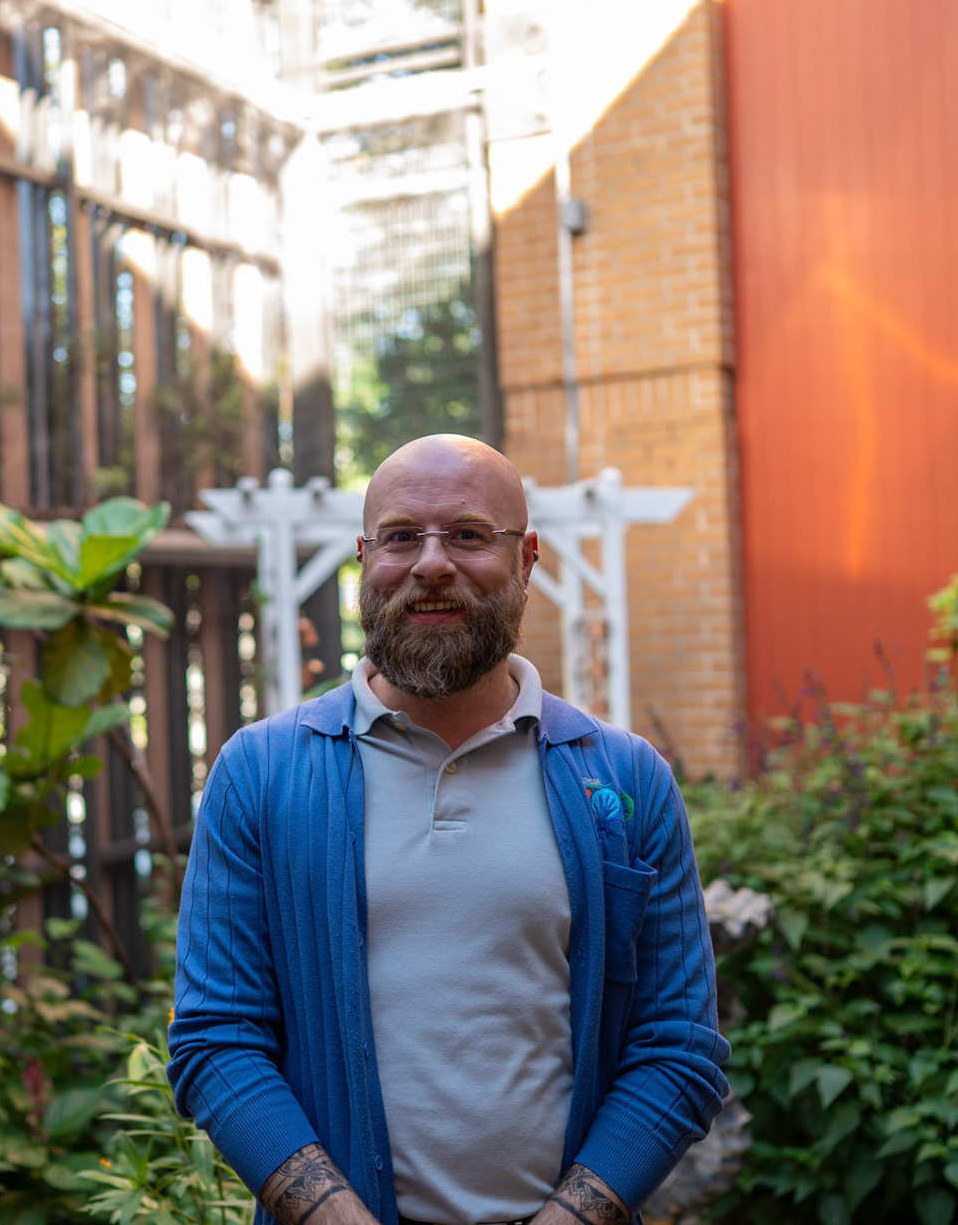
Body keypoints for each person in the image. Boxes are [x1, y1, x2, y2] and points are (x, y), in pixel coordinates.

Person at [167, 435, 729, 1225]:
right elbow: (217, 1041)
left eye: (468, 535)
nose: (431, 562)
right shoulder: (260, 776)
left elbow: (678, 1049)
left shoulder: (627, 780)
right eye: (400, 537)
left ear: (527, 558)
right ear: (365, 559)